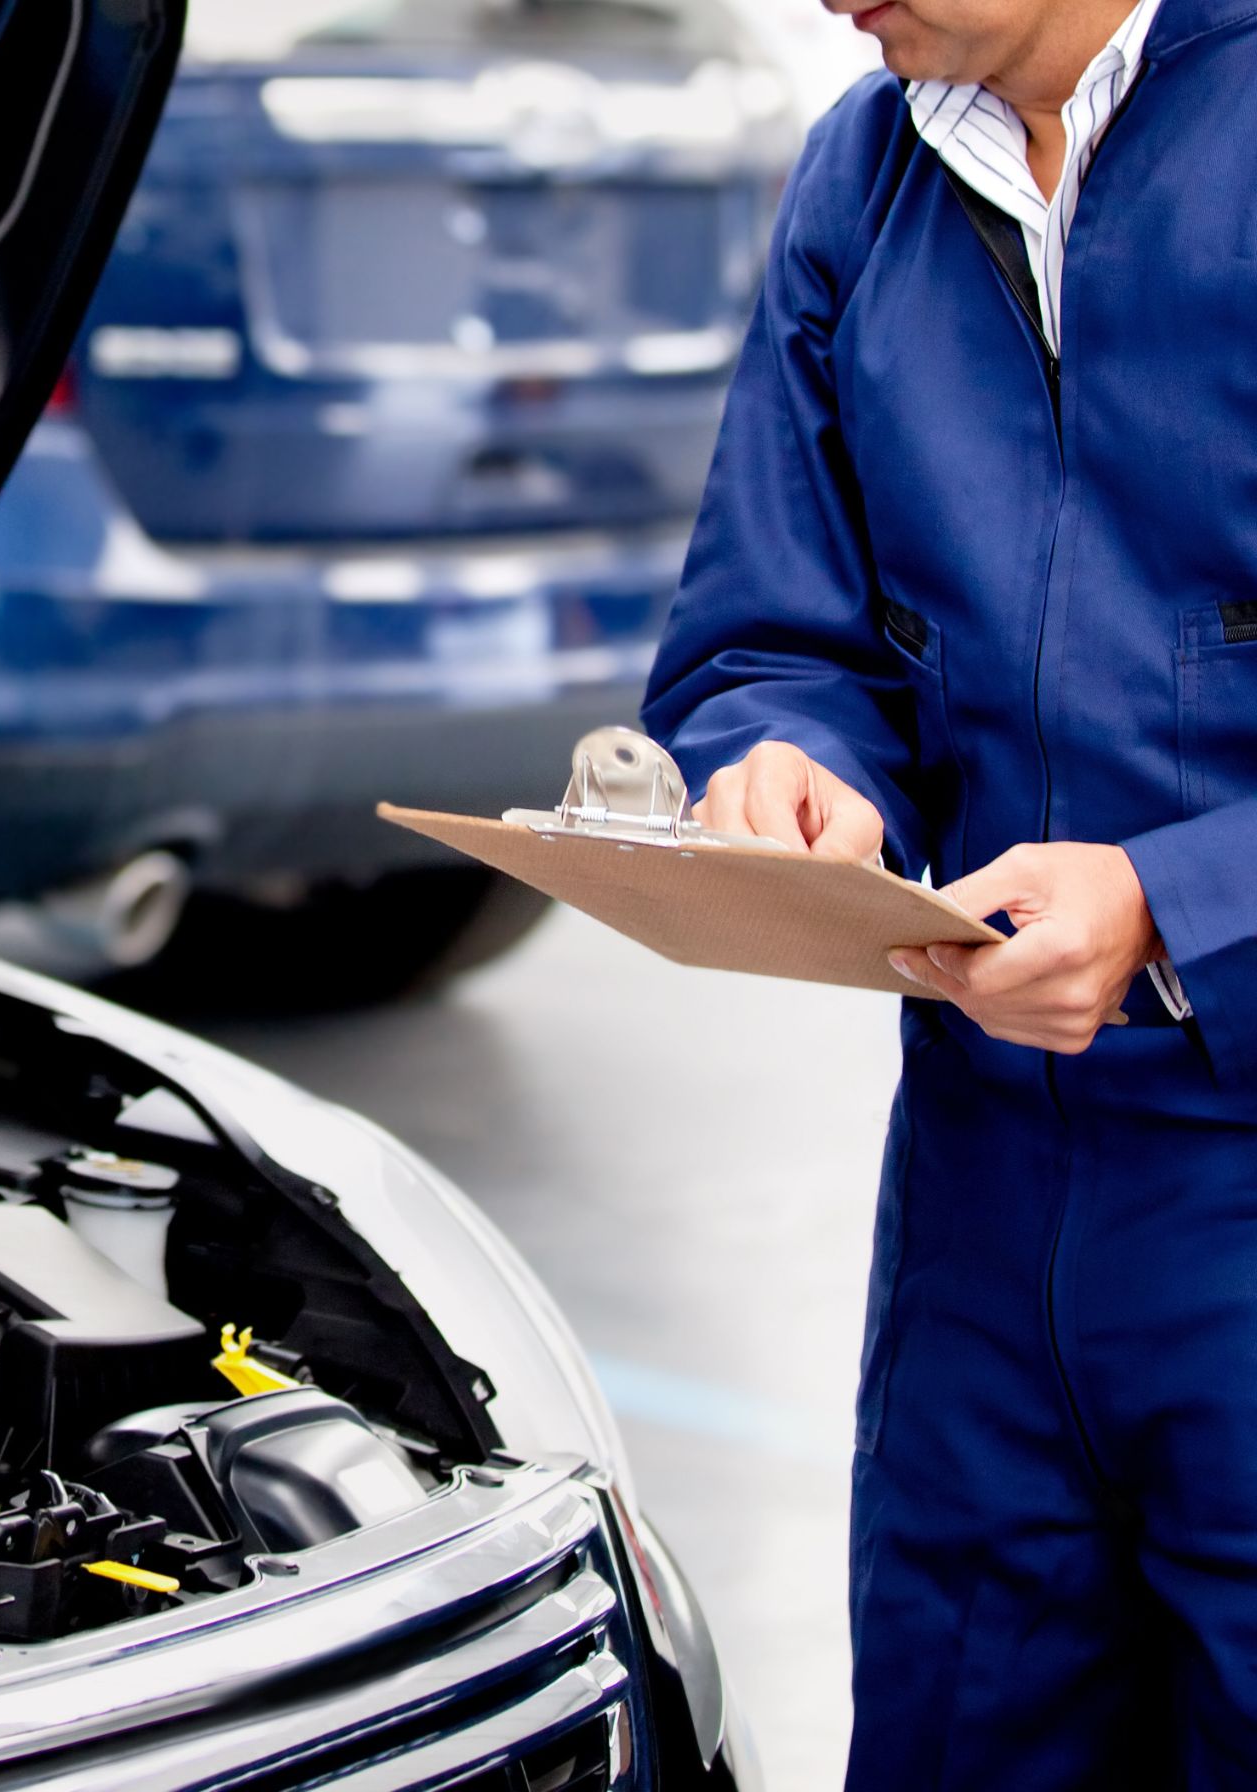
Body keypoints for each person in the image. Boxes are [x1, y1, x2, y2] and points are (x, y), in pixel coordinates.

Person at [642, 0, 1257, 1781]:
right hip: (985, 1210)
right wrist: (789, 757)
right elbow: (777, 626)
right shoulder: (870, 169)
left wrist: (1183, 902)